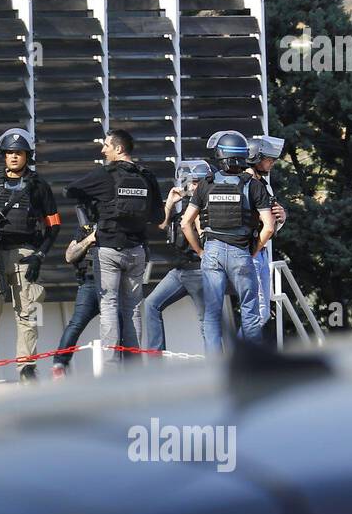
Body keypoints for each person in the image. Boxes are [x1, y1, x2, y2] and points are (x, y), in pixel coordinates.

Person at [0, 128, 61, 383]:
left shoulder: (39, 185)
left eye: (18, 152)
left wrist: (40, 254)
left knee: (28, 314)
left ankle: (26, 368)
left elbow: (54, 225)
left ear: (27, 155)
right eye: (9, 153)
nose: (13, 157)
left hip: (25, 254)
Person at [65, 128, 163, 371]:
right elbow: (157, 215)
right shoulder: (147, 176)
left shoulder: (105, 174)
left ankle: (110, 370)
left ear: (118, 149)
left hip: (108, 249)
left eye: (106, 145)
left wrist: (96, 200)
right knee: (132, 309)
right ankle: (133, 368)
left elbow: (70, 190)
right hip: (137, 251)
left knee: (108, 306)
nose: (102, 150)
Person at [180, 131, 276, 355]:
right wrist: (255, 250)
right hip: (241, 252)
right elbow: (269, 226)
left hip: (211, 252)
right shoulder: (253, 185)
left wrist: (200, 251)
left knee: (212, 314)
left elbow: (186, 223)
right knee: (250, 312)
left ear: (220, 156)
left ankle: (214, 367)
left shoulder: (206, 183)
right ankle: (251, 365)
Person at [141, 160, 211, 354]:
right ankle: (156, 356)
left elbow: (204, 234)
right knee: (151, 304)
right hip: (180, 270)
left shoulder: (208, 206)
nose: (192, 187)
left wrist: (196, 212)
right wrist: (170, 203)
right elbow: (162, 225)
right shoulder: (185, 205)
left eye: (197, 183)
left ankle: (214, 363)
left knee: (207, 320)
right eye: (191, 182)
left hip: (199, 271)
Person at [49, 205, 100, 380]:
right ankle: (59, 363)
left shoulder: (118, 227)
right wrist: (89, 239)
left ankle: (125, 365)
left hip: (114, 285)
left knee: (121, 325)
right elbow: (69, 256)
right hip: (90, 283)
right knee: (76, 324)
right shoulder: (85, 228)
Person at [246, 135, 288, 326]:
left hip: (260, 251)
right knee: (258, 314)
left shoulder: (263, 185)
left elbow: (270, 222)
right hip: (252, 251)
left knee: (260, 313)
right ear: (256, 158)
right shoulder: (245, 184)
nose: (272, 163)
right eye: (268, 159)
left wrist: (282, 216)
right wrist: (255, 249)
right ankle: (238, 356)